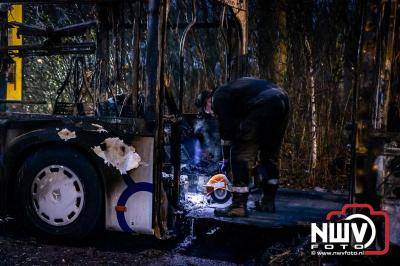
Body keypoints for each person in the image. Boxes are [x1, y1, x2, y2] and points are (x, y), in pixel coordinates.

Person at [210, 77, 290, 217]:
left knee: (240, 155)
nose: (212, 112)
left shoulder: (219, 95)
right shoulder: (239, 90)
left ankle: (238, 206)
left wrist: (227, 160)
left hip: (263, 104)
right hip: (282, 100)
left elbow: (227, 130)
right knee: (270, 154)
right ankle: (268, 202)